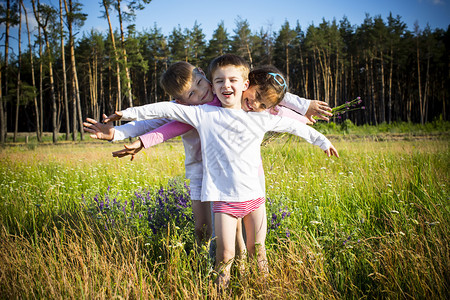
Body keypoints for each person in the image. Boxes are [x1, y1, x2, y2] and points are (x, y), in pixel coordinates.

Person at [90, 54, 338, 287]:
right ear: (182, 100)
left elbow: (273, 96)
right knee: (215, 240)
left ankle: (254, 281)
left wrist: (306, 114)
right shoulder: (200, 112)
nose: (203, 91)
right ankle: (209, 270)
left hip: (250, 186)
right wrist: (122, 128)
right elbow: (163, 117)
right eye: (193, 92)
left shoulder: (246, 103)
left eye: (201, 83)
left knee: (252, 247)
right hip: (210, 179)